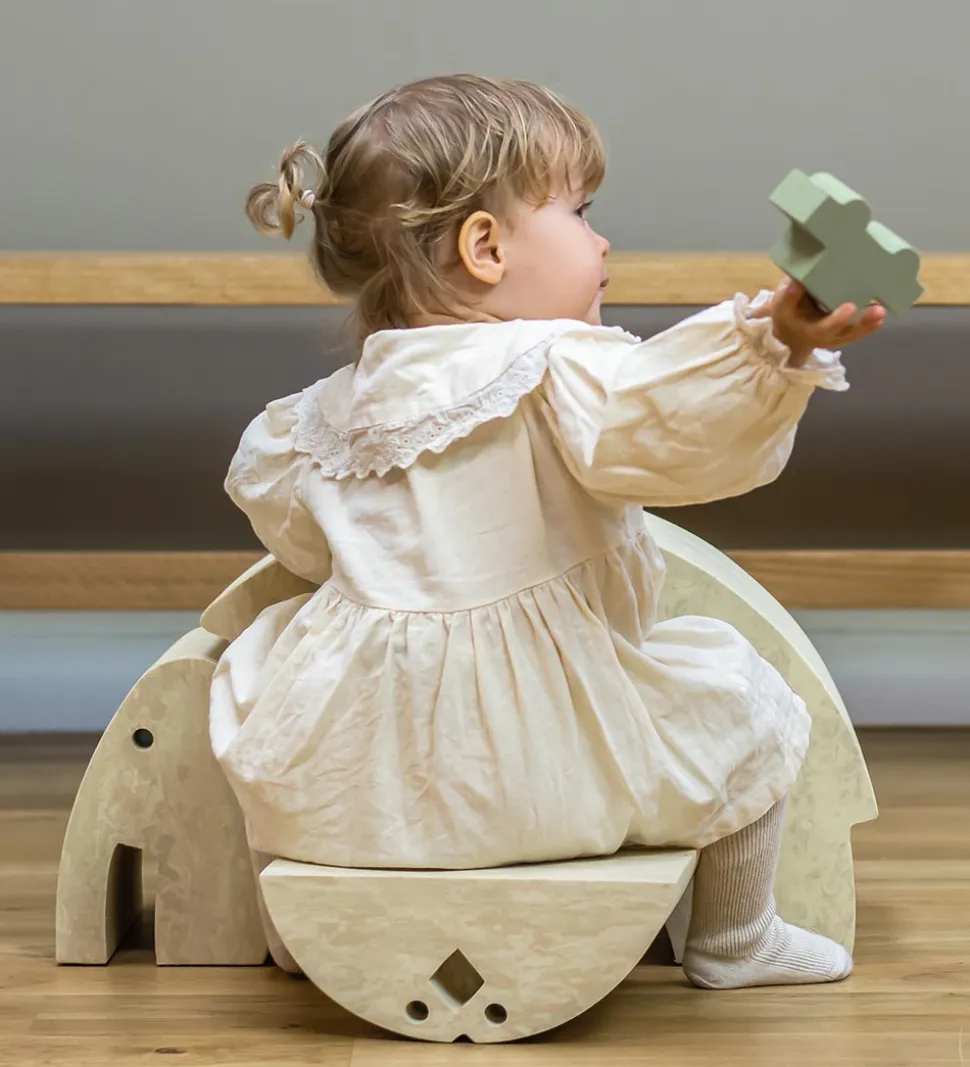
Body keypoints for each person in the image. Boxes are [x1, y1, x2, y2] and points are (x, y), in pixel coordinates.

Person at [209, 74, 884, 990]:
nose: (602, 240)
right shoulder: (550, 365)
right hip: (540, 764)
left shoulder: (326, 413)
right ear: (485, 247)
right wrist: (771, 344)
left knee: (266, 674)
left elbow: (295, 535)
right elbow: (668, 423)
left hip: (363, 771)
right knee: (742, 697)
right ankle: (736, 935)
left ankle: (302, 936)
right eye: (579, 211)